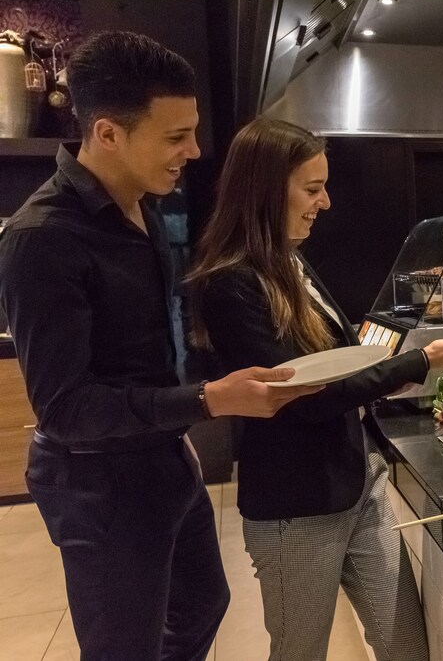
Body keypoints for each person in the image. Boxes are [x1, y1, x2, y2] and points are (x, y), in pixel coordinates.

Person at [0, 32, 324, 660]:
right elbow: (67, 410)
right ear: (107, 133)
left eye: (193, 131)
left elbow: (146, 354)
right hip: (99, 481)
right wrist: (205, 400)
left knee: (205, 603)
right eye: (175, 136)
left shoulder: (144, 206)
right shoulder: (42, 238)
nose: (195, 151)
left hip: (160, 459)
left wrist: (177, 432)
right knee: (125, 647)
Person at [186, 117, 443, 661]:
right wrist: (418, 360)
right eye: (311, 188)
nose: (324, 203)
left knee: (406, 647)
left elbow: (337, 359)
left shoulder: (290, 259)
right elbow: (305, 396)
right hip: (294, 511)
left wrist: (392, 368)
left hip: (359, 484)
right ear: (263, 189)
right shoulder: (231, 283)